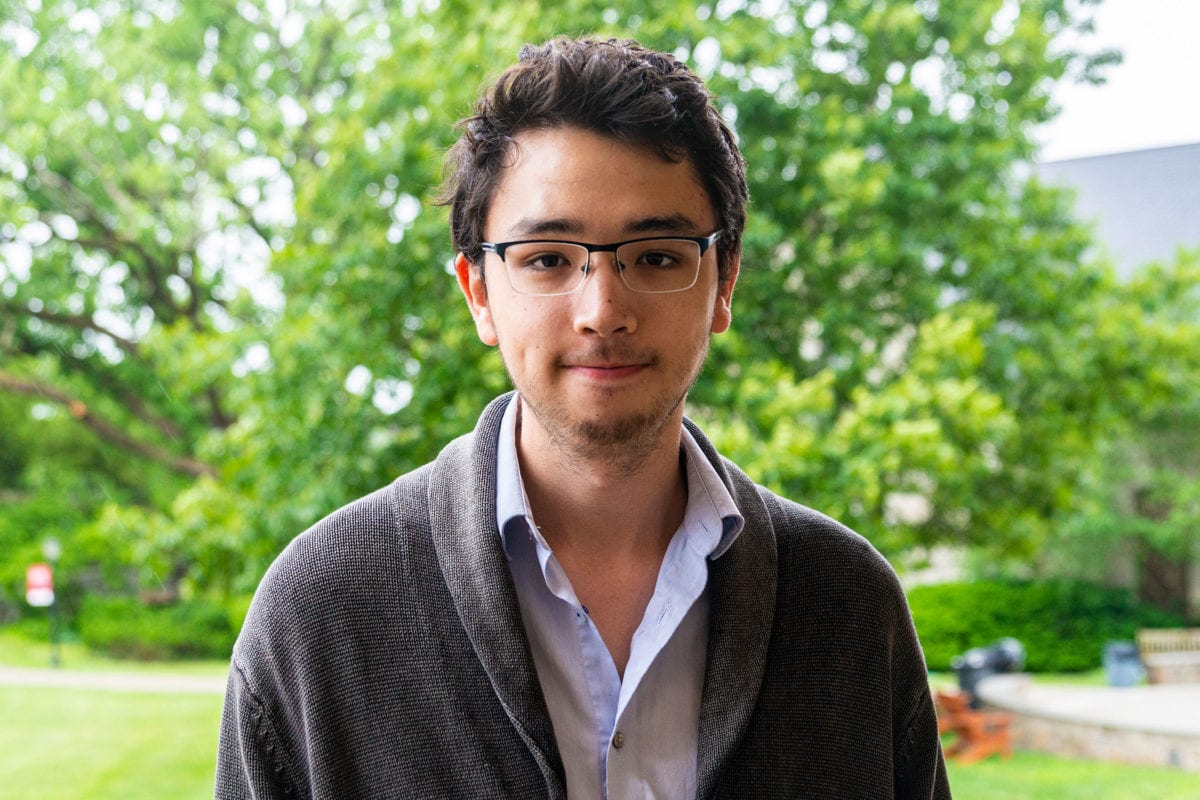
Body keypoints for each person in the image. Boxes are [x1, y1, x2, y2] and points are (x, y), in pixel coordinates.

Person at [215, 36, 950, 800]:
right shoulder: (320, 612)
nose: (603, 311)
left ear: (723, 281)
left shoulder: (850, 607)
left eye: (658, 256)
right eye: (547, 259)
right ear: (477, 293)